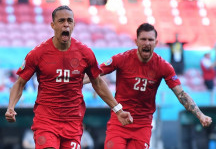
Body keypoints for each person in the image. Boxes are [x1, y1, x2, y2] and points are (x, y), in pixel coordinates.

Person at [5, 5, 133, 149]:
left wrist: (118, 110)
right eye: (61, 21)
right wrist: (11, 107)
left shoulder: (85, 53)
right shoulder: (38, 53)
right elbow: (20, 83)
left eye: (69, 21)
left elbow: (97, 82)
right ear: (52, 25)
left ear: (73, 25)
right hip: (46, 120)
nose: (66, 24)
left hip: (73, 121)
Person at [84, 23, 212, 149]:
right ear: (136, 41)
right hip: (119, 119)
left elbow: (181, 94)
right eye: (143, 39)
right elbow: (94, 73)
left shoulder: (163, 66)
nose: (147, 43)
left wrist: (200, 115)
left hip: (142, 125)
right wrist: (74, 81)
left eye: (150, 40)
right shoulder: (122, 59)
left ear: (156, 43)